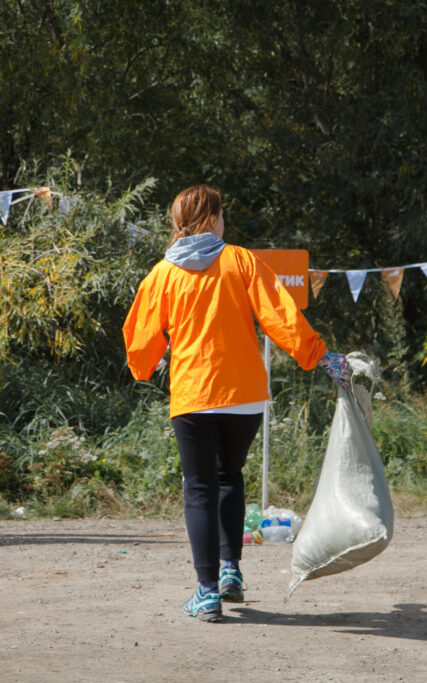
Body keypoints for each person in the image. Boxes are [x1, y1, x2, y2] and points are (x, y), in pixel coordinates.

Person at [122, 185, 352, 623]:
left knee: (199, 488)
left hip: (193, 396)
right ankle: (231, 572)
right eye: (222, 214)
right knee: (231, 477)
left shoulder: (162, 275)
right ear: (212, 219)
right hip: (245, 397)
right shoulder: (242, 261)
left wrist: (146, 366)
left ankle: (207, 593)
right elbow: (279, 315)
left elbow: (140, 337)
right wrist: (319, 356)